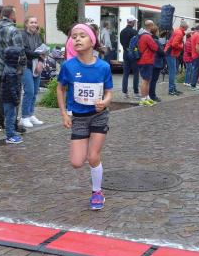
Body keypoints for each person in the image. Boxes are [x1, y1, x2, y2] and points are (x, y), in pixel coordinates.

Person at [56, 23, 113, 210]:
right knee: (76, 162)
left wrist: (104, 102)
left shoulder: (103, 67)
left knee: (93, 156)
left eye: (82, 36)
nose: (77, 39)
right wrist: (64, 113)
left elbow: (109, 92)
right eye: (74, 37)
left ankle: (97, 192)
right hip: (79, 118)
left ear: (92, 40)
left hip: (98, 116)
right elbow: (60, 89)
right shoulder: (69, 66)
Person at [0, 6, 25, 141]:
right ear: (11, 15)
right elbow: (20, 52)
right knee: (13, 97)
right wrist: (22, 68)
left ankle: (1, 121)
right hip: (12, 70)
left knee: (0, 96)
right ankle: (12, 125)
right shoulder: (13, 30)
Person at [21, 16, 45, 127]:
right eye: (31, 22)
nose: (34, 24)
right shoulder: (22, 35)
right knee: (29, 91)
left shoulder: (38, 35)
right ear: (26, 24)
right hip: (26, 66)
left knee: (35, 92)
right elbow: (25, 51)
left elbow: (43, 50)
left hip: (37, 65)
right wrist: (38, 55)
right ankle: (24, 117)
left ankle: (30, 114)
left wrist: (41, 62)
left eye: (35, 22)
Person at [137, 20, 158, 104]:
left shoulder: (143, 35)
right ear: (150, 26)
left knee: (147, 80)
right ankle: (143, 99)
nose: (154, 27)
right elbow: (155, 47)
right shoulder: (147, 36)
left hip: (145, 60)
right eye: (153, 25)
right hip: (146, 60)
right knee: (145, 80)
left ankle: (147, 97)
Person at [119, 16, 140, 98]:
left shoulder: (122, 31)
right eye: (134, 21)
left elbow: (121, 42)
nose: (135, 23)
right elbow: (137, 43)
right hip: (133, 54)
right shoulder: (135, 32)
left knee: (125, 74)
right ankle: (136, 93)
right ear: (132, 22)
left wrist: (126, 48)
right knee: (136, 73)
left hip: (125, 53)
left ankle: (125, 93)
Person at [165, 19, 186, 96]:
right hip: (171, 53)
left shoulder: (178, 31)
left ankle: (173, 89)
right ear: (185, 27)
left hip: (171, 53)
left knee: (173, 71)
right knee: (172, 72)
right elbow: (174, 44)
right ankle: (171, 90)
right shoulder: (179, 33)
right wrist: (181, 46)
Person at [150, 26, 167, 102]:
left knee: (150, 80)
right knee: (153, 80)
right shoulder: (156, 41)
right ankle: (152, 96)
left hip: (151, 61)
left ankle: (149, 95)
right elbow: (161, 52)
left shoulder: (150, 39)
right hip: (156, 62)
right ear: (156, 32)